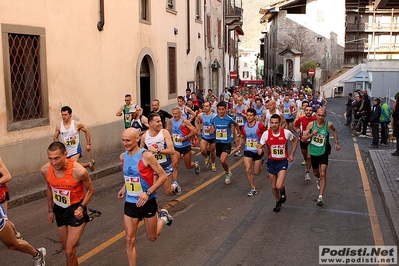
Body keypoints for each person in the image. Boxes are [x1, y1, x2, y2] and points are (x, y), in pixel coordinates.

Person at [118, 128, 172, 266]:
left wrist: (148, 192)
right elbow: (129, 175)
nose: (125, 143)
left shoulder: (146, 156)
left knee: (152, 237)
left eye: (128, 140)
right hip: (130, 202)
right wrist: (124, 188)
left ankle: (163, 218)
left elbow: (163, 176)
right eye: (123, 140)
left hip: (148, 201)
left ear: (137, 139)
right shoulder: (123, 157)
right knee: (129, 239)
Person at [41, 141, 94, 266]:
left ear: (65, 154)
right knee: (69, 251)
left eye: (57, 158)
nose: (54, 163)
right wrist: (50, 210)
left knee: (69, 250)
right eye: (50, 159)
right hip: (59, 210)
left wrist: (82, 207)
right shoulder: (45, 170)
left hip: (76, 210)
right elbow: (49, 187)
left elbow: (90, 189)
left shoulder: (79, 171)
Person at [258, 114, 298, 212]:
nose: (274, 125)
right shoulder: (266, 134)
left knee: (279, 185)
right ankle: (277, 201)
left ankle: (283, 191)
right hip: (271, 162)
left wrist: (292, 154)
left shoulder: (286, 133)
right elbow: (260, 145)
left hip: (282, 162)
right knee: (273, 186)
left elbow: (295, 140)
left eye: (276, 123)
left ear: (280, 123)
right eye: (272, 123)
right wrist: (259, 149)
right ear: (269, 123)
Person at [302, 108, 340, 206]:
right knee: (316, 172)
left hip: (324, 151)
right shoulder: (311, 125)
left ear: (325, 116)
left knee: (323, 173)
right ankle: (318, 178)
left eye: (322, 115)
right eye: (319, 115)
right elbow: (303, 139)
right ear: (316, 115)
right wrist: (311, 134)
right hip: (314, 152)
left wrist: (336, 142)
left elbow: (335, 131)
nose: (320, 117)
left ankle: (320, 197)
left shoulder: (328, 125)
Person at [140, 113, 178, 195]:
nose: (160, 123)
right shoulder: (144, 136)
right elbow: (140, 152)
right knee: (152, 190)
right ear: (150, 123)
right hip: (153, 167)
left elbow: (172, 151)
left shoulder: (164, 133)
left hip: (165, 166)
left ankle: (174, 186)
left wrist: (157, 151)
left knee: (167, 192)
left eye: (160, 121)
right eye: (158, 121)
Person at [54, 106, 96, 172]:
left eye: (65, 115)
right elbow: (55, 137)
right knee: (68, 166)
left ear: (70, 114)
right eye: (62, 115)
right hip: (65, 150)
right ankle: (88, 164)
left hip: (75, 149)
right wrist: (59, 147)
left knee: (71, 166)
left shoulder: (77, 124)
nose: (64, 117)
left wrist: (88, 144)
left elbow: (87, 131)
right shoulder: (59, 126)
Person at [169, 106, 200, 194]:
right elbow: (169, 129)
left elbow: (194, 131)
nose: (174, 115)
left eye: (176, 113)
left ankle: (196, 165)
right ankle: (175, 183)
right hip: (176, 147)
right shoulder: (171, 121)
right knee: (175, 164)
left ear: (180, 113)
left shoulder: (184, 121)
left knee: (188, 166)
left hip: (185, 146)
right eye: (173, 113)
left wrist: (185, 137)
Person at [209, 101, 241, 185]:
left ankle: (227, 174)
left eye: (223, 109)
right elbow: (211, 128)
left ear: (226, 109)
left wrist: (238, 135)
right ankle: (228, 171)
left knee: (222, 160)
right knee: (221, 160)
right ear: (217, 110)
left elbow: (236, 124)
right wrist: (211, 130)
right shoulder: (214, 119)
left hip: (226, 142)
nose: (221, 111)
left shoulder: (229, 118)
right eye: (219, 109)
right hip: (218, 142)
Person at [238, 108, 266, 196]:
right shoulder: (244, 126)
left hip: (257, 151)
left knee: (256, 172)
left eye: (251, 115)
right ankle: (253, 188)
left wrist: (262, 146)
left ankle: (261, 161)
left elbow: (266, 135)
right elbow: (243, 136)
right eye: (248, 115)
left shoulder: (260, 125)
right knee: (248, 170)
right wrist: (239, 144)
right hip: (248, 150)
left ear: (254, 116)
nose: (249, 117)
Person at [294, 105, 317, 180]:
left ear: (312, 111)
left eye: (310, 110)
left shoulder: (315, 119)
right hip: (303, 140)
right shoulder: (301, 119)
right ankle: (306, 162)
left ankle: (307, 172)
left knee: (309, 156)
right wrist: (296, 130)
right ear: (305, 111)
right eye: (307, 110)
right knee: (305, 155)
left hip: (312, 140)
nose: (308, 112)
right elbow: (295, 125)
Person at [196, 101, 217, 172]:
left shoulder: (214, 116)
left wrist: (213, 128)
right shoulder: (200, 115)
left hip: (213, 137)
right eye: (204, 106)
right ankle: (207, 157)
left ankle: (213, 163)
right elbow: (196, 121)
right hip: (205, 136)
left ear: (210, 107)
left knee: (212, 152)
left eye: (207, 106)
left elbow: (218, 124)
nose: (205, 107)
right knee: (202, 150)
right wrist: (198, 129)